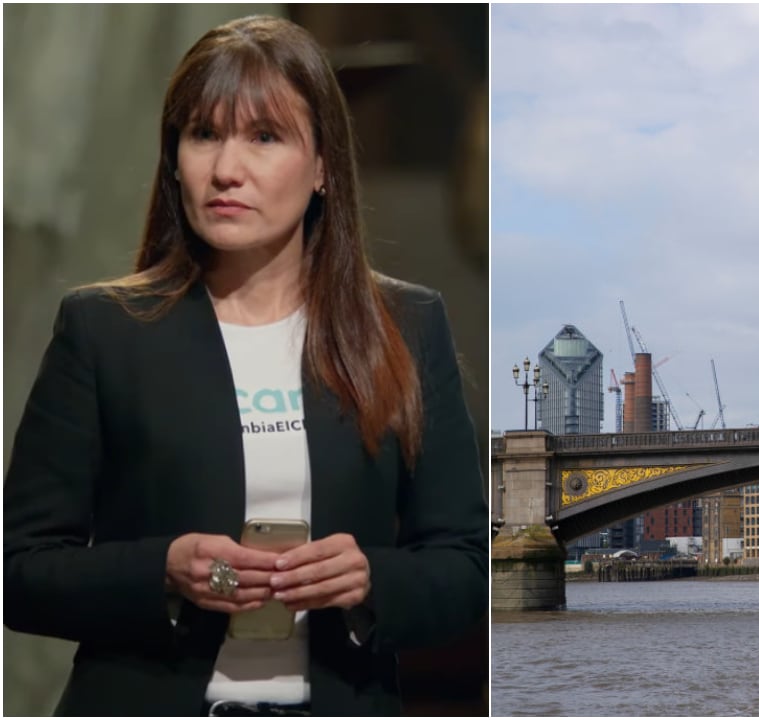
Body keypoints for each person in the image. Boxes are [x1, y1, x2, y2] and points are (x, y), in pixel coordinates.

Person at [3, 15, 487, 716]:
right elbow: (19, 571)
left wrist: (369, 579)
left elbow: (468, 566)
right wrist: (162, 570)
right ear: (174, 158)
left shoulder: (405, 326)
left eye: (264, 137)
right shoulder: (104, 328)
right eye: (204, 134)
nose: (227, 168)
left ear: (323, 165)